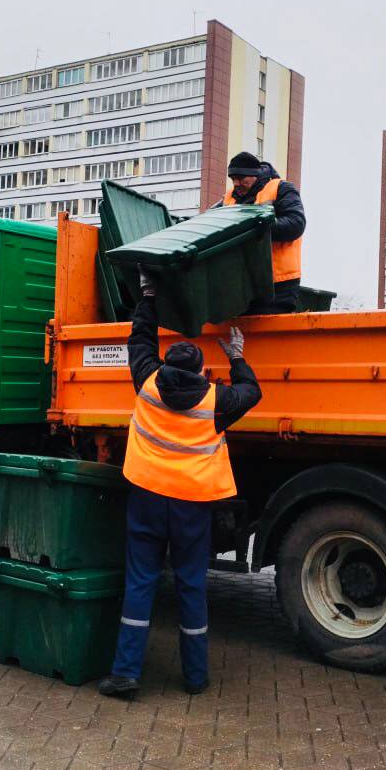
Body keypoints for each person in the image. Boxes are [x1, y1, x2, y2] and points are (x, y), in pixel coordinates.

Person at [98, 273, 262, 699]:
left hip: (147, 499)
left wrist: (149, 296)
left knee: (140, 582)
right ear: (201, 371)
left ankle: (126, 674)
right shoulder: (216, 400)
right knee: (191, 585)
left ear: (166, 365)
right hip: (192, 507)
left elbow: (140, 340)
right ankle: (195, 677)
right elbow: (252, 391)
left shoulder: (148, 383)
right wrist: (238, 357)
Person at [216, 152, 306, 313]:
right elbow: (208, 221)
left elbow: (296, 224)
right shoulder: (229, 198)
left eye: (240, 178)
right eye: (232, 179)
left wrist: (258, 227)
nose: (236, 183)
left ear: (255, 175)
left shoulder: (281, 188)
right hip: (242, 286)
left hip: (278, 286)